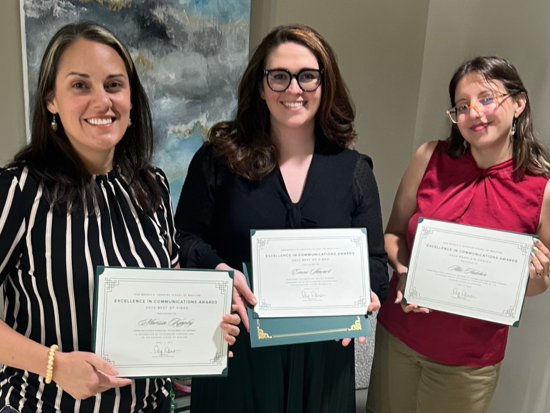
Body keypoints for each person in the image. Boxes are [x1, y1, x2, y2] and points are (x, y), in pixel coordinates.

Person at [0, 21, 240, 413]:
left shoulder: (152, 185)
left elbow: (169, 285)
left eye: (114, 85)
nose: (102, 101)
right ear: (50, 100)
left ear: (131, 98)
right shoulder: (18, 190)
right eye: (80, 85)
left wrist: (207, 318)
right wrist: (54, 366)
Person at [174, 24, 389, 413]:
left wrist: (363, 298)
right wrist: (221, 270)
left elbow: (375, 264)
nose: (294, 89)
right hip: (240, 355)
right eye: (279, 76)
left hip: (324, 360)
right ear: (260, 85)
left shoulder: (354, 170)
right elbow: (185, 239)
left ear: (325, 84)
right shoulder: (217, 161)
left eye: (307, 76)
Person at [367, 56, 550, 413]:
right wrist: (405, 272)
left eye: (486, 98)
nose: (475, 113)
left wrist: (537, 277)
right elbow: (392, 236)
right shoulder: (429, 157)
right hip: (399, 338)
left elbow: (539, 282)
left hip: (469, 361)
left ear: (518, 103)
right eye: (462, 106)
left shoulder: (541, 190)